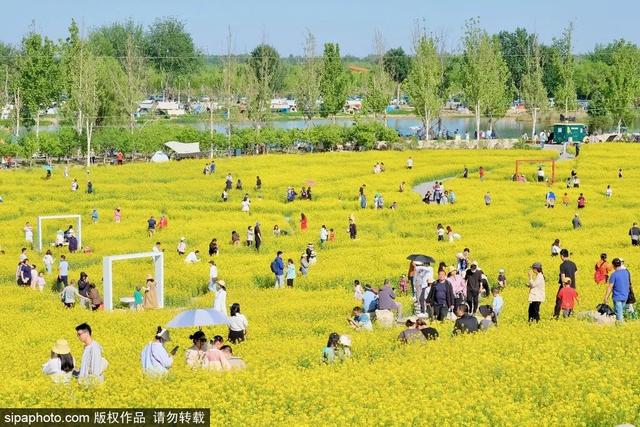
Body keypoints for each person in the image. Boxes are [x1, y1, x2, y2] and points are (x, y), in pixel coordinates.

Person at [604, 258, 631, 322]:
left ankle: (621, 329)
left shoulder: (614, 275)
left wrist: (606, 298)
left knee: (619, 316)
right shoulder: (626, 272)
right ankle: (618, 327)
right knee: (619, 313)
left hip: (617, 297)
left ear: (613, 265)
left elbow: (610, 287)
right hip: (625, 296)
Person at [554, 249, 577, 318]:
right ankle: (569, 315)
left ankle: (556, 316)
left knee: (559, 300)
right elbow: (576, 273)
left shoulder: (562, 265)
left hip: (565, 286)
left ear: (562, 256)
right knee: (570, 301)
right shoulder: (573, 264)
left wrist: (564, 287)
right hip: (572, 286)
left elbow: (562, 276)